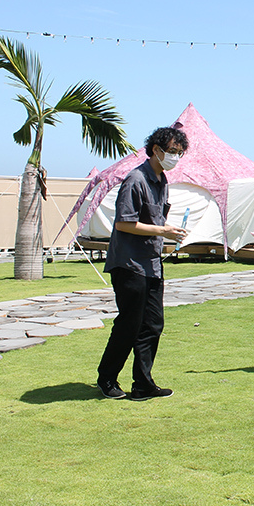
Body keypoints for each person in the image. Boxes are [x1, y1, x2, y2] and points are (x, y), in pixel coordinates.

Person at [97, 126, 189, 401]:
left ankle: (143, 384)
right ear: (156, 150)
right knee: (129, 323)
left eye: (179, 152)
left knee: (152, 324)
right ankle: (107, 379)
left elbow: (154, 221)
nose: (175, 156)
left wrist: (167, 230)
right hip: (129, 264)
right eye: (171, 151)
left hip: (151, 264)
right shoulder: (135, 179)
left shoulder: (162, 181)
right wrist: (163, 231)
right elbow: (125, 223)